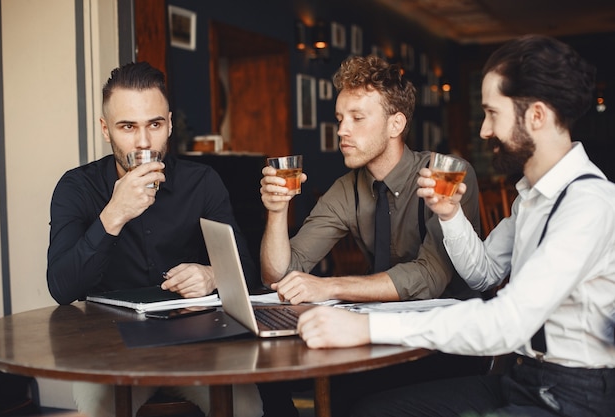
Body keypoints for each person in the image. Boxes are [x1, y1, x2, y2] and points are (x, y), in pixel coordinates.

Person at [296, 35, 615, 417]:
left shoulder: (588, 204)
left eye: (493, 114)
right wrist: (449, 215)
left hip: (573, 394)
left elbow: (507, 321)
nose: (483, 131)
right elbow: (483, 275)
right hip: (522, 378)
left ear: (537, 116)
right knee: (372, 409)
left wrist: (364, 329)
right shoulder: (532, 197)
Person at [258, 55, 483, 417]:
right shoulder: (347, 188)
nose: (342, 130)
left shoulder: (445, 175)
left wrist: (329, 286)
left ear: (396, 124)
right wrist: (277, 210)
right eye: (339, 119)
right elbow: (278, 274)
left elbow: (429, 277)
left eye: (357, 118)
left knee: (351, 396)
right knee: (286, 382)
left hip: (444, 342)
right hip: (378, 335)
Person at [46, 62, 262, 417]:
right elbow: (62, 287)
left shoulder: (202, 182)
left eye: (155, 125)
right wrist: (114, 213)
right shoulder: (76, 187)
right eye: (128, 127)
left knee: (248, 405)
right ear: (105, 129)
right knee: (97, 407)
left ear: (170, 124)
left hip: (197, 346)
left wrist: (212, 275)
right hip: (110, 349)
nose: (144, 142)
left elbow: (247, 276)